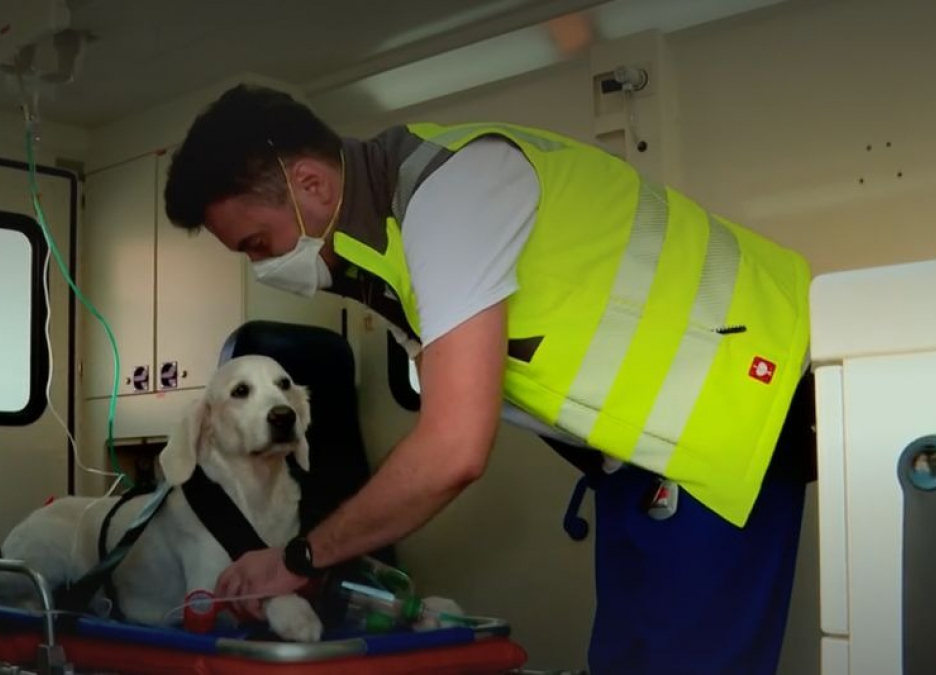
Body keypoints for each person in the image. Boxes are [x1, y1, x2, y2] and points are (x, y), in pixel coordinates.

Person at [162, 83, 816, 674]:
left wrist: (298, 558)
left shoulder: (448, 195)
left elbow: (452, 449)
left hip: (729, 411)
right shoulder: (390, 250)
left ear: (309, 183)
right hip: (643, 455)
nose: (263, 266)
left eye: (256, 243)